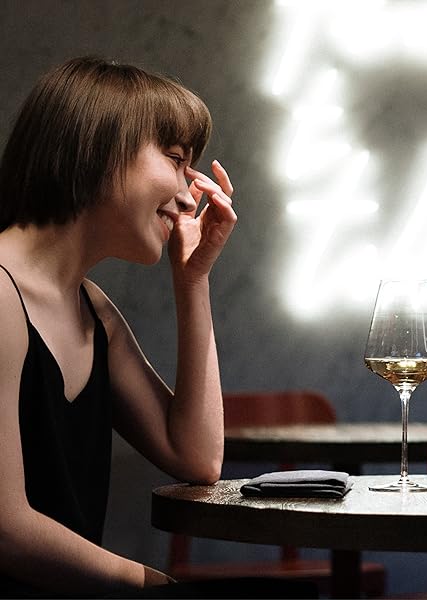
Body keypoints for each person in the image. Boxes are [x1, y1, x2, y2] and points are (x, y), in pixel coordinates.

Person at [0, 57, 248, 597]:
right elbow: (8, 531)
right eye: (178, 160)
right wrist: (157, 585)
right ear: (99, 145)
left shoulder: (93, 309)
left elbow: (197, 457)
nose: (190, 195)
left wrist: (193, 281)